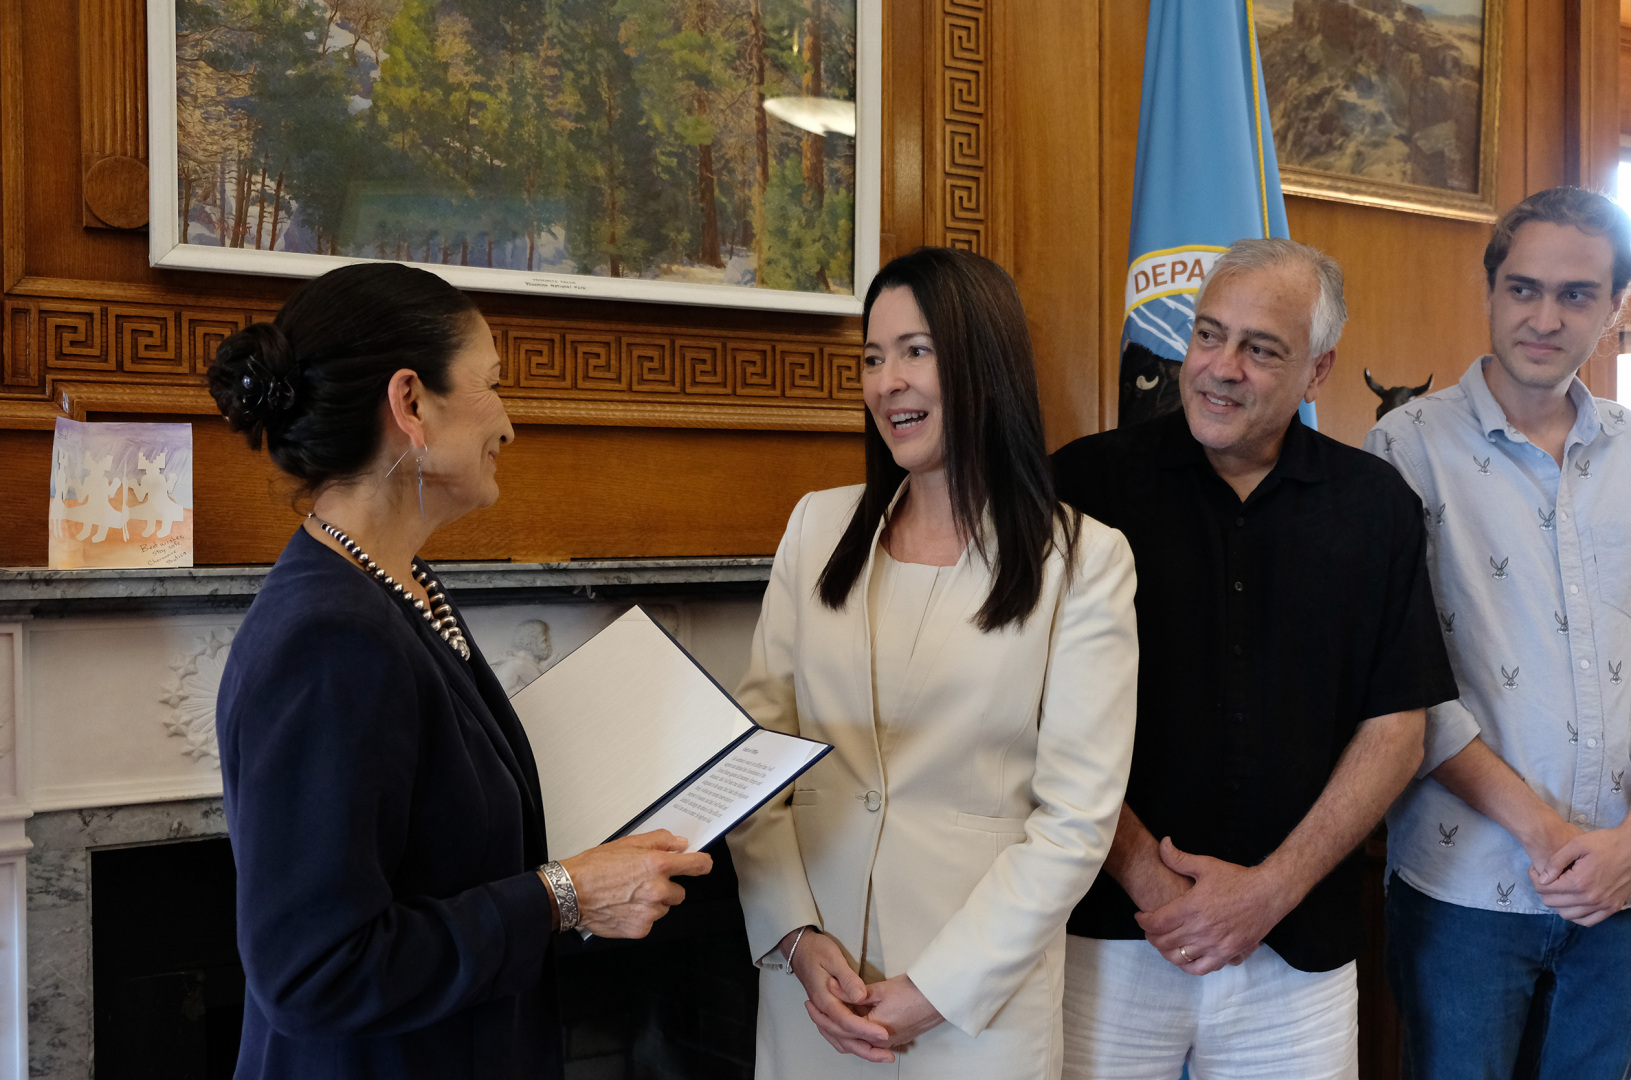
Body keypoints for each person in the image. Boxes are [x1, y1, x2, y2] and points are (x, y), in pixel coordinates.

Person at [207, 262, 713, 1080]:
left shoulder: (393, 584)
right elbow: (313, 974)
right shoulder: (329, 637)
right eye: (492, 385)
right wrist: (562, 896)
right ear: (410, 403)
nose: (508, 424)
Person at [1051, 237, 1459, 1080]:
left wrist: (1266, 893)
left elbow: (1396, 731)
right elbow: (1028, 707)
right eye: (1208, 335)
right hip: (1110, 935)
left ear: (1316, 372)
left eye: (1259, 348)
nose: (1220, 367)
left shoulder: (1375, 506)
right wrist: (1152, 885)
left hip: (1295, 952)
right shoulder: (1086, 486)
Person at [727, 246, 1139, 1078]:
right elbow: (753, 762)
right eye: (873, 359)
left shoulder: (1083, 560)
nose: (887, 383)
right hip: (816, 997)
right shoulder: (815, 529)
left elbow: (1075, 821)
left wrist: (938, 988)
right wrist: (794, 935)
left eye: (915, 351)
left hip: (975, 1013)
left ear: (981, 363)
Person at [1364, 186, 1631, 1079]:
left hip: (1624, 889)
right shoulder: (1403, 449)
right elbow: (1396, 681)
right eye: (1522, 289)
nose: (1544, 317)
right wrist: (1542, 831)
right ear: (1488, 290)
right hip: (1464, 889)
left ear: (1616, 307)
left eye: (1576, 294)